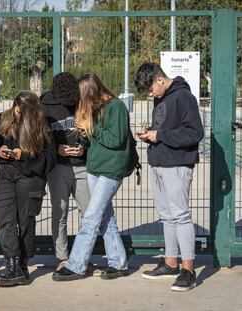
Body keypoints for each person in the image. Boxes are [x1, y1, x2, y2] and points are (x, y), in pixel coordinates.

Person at [52, 73, 130, 281]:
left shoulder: (116, 107)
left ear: (90, 91)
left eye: (81, 94)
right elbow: (92, 141)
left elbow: (116, 139)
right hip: (94, 168)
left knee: (91, 218)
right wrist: (82, 139)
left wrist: (91, 128)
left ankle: (76, 264)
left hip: (110, 170)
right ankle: (118, 262)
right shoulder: (95, 109)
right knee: (105, 218)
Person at [135, 62, 204, 292]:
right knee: (167, 216)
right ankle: (171, 262)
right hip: (161, 163)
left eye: (150, 88)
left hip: (177, 164)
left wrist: (159, 135)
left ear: (160, 80)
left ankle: (188, 269)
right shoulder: (161, 97)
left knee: (180, 216)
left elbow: (195, 132)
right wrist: (150, 135)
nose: (150, 93)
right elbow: (163, 130)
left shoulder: (184, 97)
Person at [0, 91, 57, 287]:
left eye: (21, 113)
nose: (17, 114)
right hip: (6, 175)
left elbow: (49, 160)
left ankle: (22, 264)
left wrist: (23, 156)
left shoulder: (43, 125)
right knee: (4, 218)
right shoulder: (2, 119)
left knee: (25, 221)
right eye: (16, 110)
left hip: (30, 178)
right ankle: (12, 264)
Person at [40, 72, 91, 272]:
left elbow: (92, 131)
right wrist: (57, 149)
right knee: (59, 213)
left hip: (82, 165)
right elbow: (40, 138)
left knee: (87, 214)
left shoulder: (82, 101)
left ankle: (81, 256)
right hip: (58, 167)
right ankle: (62, 257)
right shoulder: (44, 104)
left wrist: (83, 148)